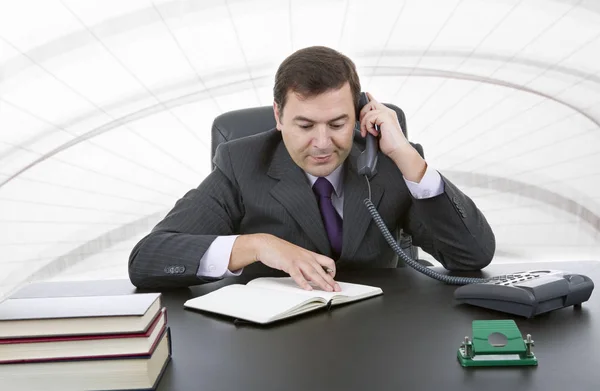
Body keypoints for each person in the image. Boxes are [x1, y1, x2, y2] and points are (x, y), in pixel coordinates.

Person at [128, 46, 495, 291]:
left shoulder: (387, 163)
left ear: (360, 113)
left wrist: (407, 156)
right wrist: (258, 246)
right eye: (305, 126)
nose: (322, 143)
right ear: (278, 116)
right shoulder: (241, 164)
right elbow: (148, 258)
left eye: (337, 124)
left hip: (379, 337)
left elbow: (472, 258)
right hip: (273, 346)